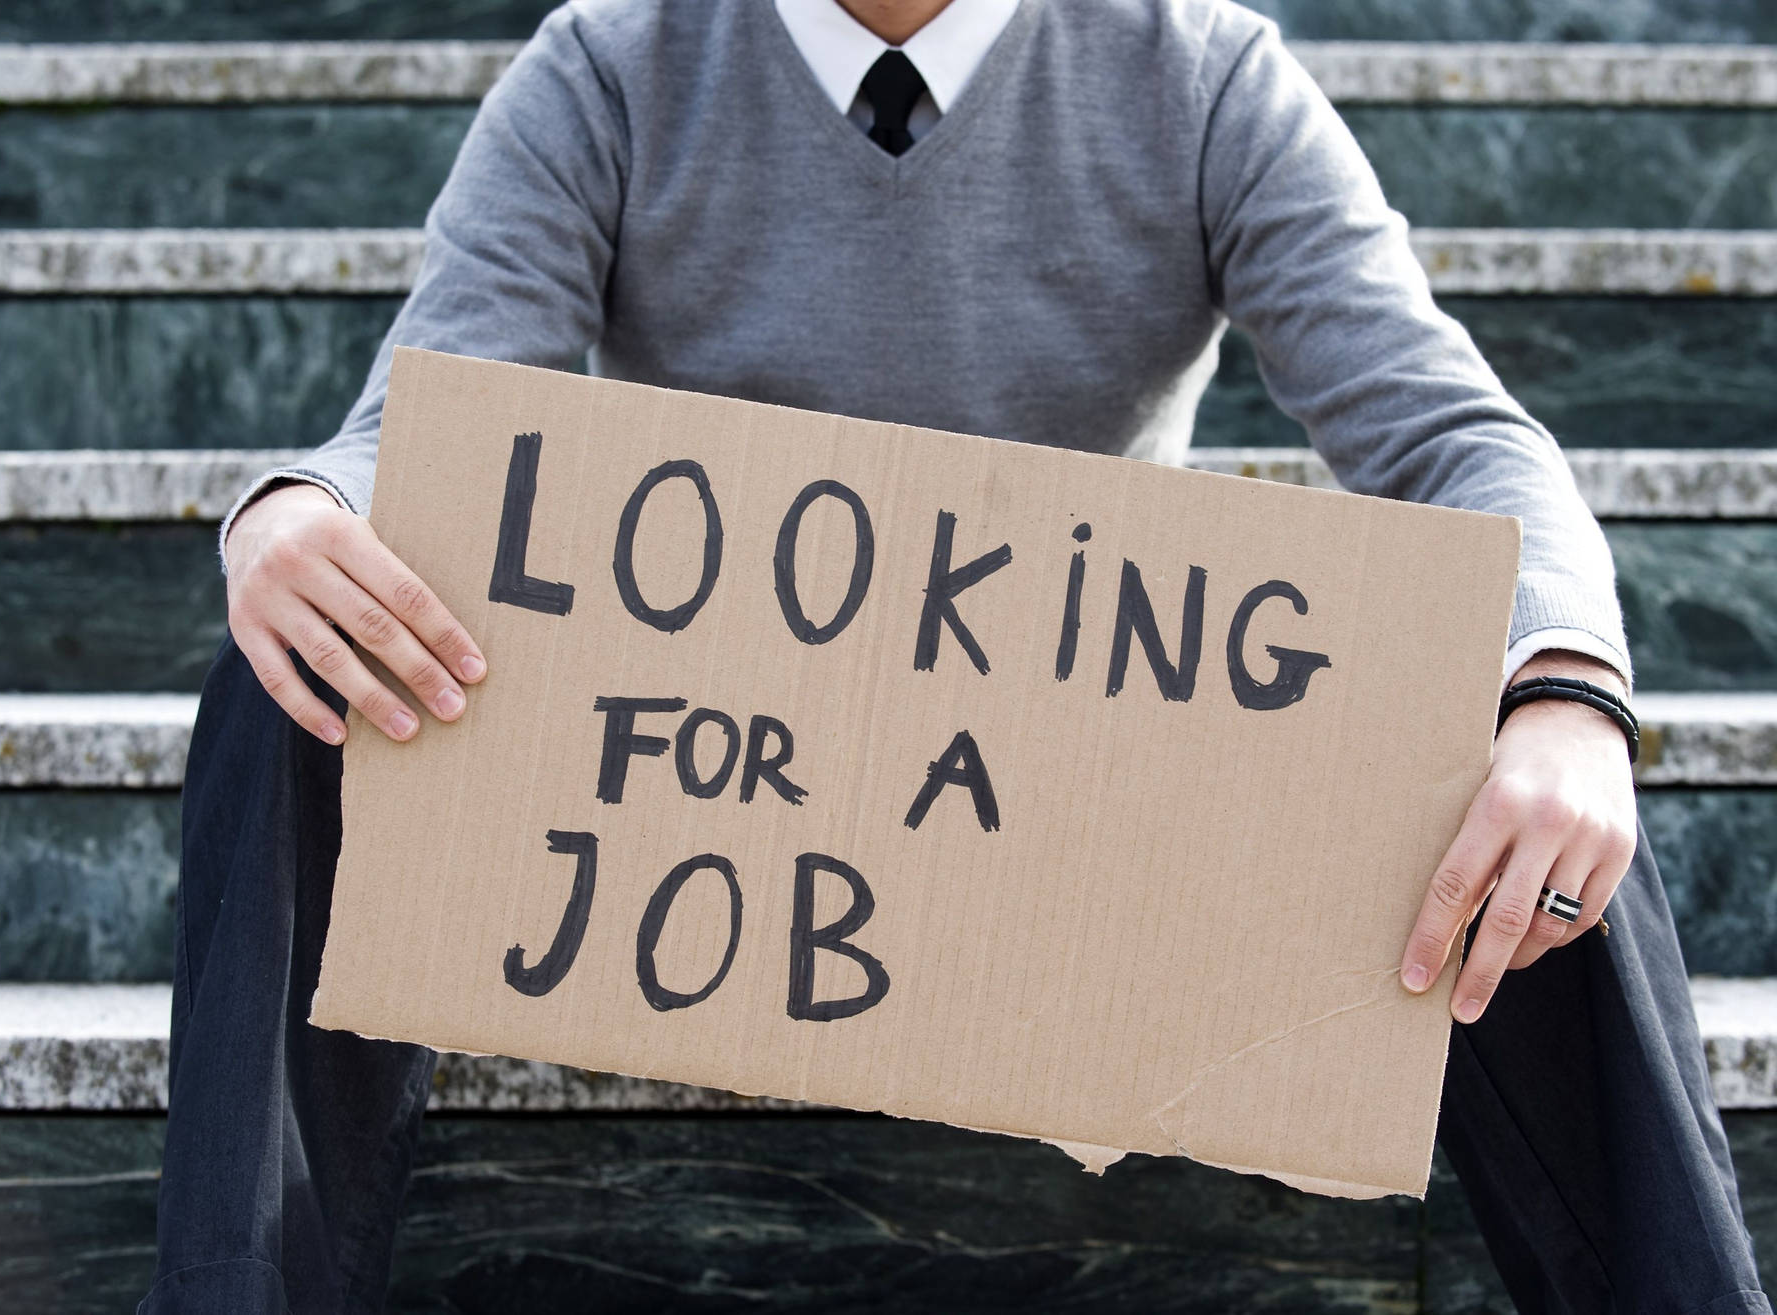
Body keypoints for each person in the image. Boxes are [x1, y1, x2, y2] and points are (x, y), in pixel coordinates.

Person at [138, 1, 1770, 1311]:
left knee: (1529, 761)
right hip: (717, 797)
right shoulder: (612, 62)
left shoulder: (1197, 69)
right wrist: (287, 514)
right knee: (297, 674)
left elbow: (1458, 440)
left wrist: (1563, 692)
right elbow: (416, 428)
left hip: (1078, 805)